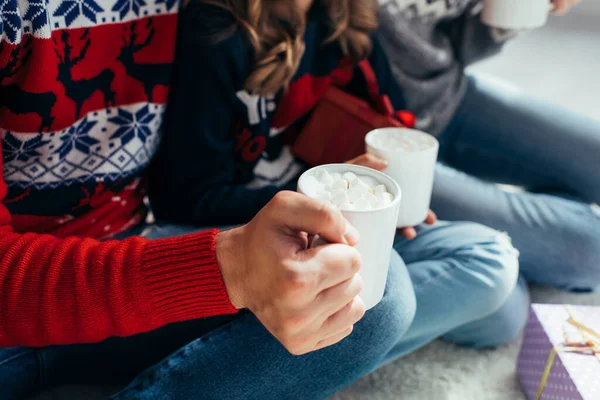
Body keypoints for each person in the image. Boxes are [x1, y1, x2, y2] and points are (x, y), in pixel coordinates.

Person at [147, 0, 526, 397]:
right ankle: (294, 345)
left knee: (497, 275)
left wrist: (382, 188)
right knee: (444, 298)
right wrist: (310, 200)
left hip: (345, 221)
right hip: (258, 235)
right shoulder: (215, 30)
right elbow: (184, 199)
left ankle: (319, 340)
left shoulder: (348, 15)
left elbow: (394, 118)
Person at [377, 0, 600, 293]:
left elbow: (454, 42)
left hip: (444, 97)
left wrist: (511, 16)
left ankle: (537, 233)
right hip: (363, 135)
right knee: (588, 252)